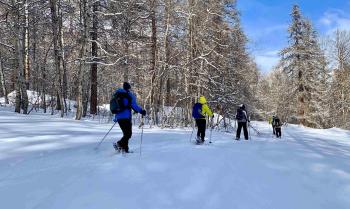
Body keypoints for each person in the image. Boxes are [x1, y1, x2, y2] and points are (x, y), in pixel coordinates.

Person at [112, 82, 146, 153]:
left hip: (119, 118)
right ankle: (119, 144)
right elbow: (134, 106)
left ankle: (125, 150)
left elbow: (116, 106)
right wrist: (141, 111)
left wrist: (115, 118)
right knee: (128, 134)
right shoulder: (129, 95)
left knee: (126, 134)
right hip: (126, 118)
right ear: (129, 88)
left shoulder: (117, 94)